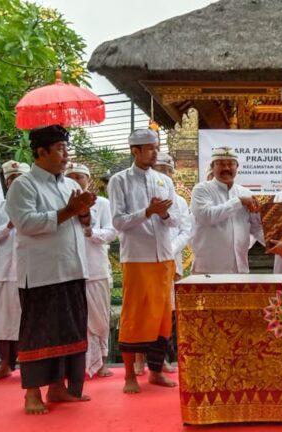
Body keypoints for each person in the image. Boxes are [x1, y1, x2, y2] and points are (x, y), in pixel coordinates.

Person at [6, 125, 96, 414]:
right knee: (39, 333)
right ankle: (32, 393)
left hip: (72, 268)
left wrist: (83, 212)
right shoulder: (24, 185)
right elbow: (26, 223)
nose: (65, 154)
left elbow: (82, 225)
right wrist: (69, 212)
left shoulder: (70, 185)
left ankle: (58, 388)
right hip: (41, 274)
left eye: (66, 148)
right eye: (59, 148)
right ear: (41, 152)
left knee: (68, 332)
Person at [108, 128, 182, 393]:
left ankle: (156, 371)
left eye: (156, 147)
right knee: (135, 314)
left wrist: (162, 215)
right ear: (135, 150)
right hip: (137, 258)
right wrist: (147, 211)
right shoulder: (120, 181)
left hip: (164, 257)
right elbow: (117, 221)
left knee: (163, 316)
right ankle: (129, 375)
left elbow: (176, 220)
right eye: (149, 148)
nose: (155, 152)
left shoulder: (164, 181)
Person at [65, 163, 118, 379]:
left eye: (81, 176)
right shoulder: (62, 206)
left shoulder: (103, 203)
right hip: (69, 269)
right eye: (72, 177)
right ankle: (76, 365)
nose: (77, 180)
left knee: (99, 318)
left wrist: (90, 232)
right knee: (74, 319)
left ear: (88, 179)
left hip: (96, 268)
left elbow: (112, 231)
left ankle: (102, 362)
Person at [0, 160, 30, 381]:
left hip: (30, 273)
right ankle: (5, 363)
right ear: (5, 181)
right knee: (3, 319)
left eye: (18, 178)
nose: (14, 182)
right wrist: (8, 225)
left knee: (28, 319)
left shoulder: (35, 204)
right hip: (4, 272)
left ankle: (29, 364)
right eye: (10, 178)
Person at [190, 147, 262, 274]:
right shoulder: (201, 189)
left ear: (237, 167)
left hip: (240, 269)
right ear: (212, 166)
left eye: (230, 164)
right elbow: (207, 216)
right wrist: (238, 202)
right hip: (208, 269)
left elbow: (256, 227)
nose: (226, 168)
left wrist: (277, 244)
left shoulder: (246, 193)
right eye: (221, 164)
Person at [152, 152, 192, 372]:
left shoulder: (180, 201)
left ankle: (165, 357)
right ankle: (140, 358)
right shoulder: (143, 198)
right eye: (159, 169)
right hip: (146, 261)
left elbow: (186, 230)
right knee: (147, 309)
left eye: (167, 170)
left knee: (169, 312)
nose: (163, 174)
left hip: (172, 262)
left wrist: (169, 250)